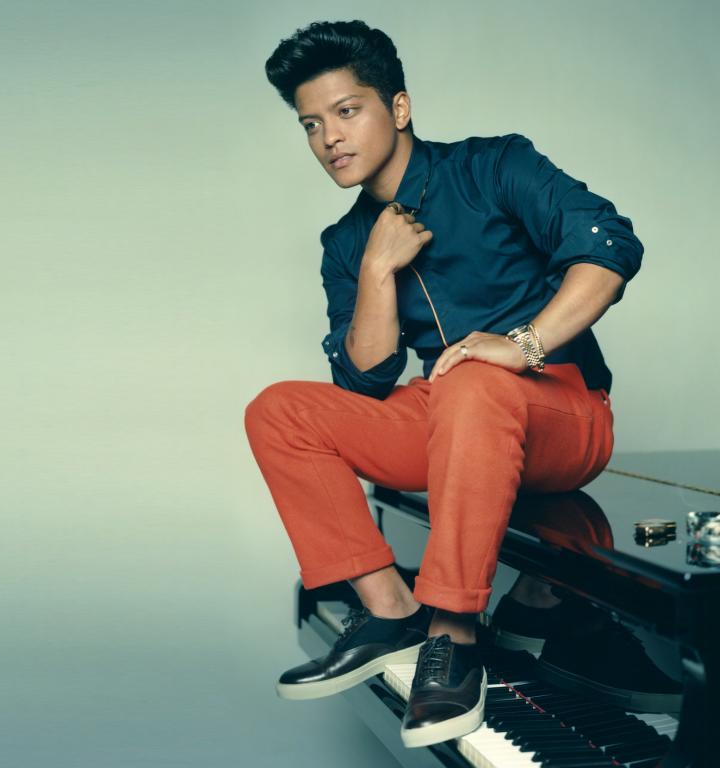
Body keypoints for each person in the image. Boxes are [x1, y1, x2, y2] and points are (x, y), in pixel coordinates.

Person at [243, 19, 645, 748]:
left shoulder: (493, 166)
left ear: (397, 107)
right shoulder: (346, 242)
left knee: (472, 383)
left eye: (346, 111)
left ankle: (454, 635)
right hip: (452, 416)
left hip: (564, 411)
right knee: (279, 411)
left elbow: (609, 245)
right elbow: (364, 379)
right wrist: (376, 266)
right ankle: (391, 611)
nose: (329, 137)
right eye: (311, 124)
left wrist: (522, 345)